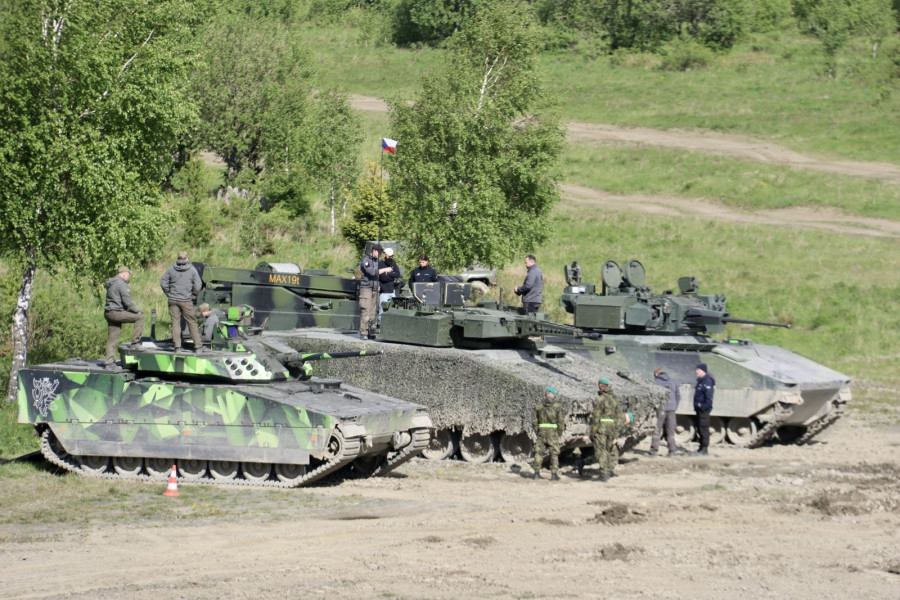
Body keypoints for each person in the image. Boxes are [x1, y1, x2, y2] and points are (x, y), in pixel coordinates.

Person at [585, 377, 633, 482]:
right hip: (611, 428)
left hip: (601, 427)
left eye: (599, 384)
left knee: (601, 451)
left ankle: (603, 474)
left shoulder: (600, 399)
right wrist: (616, 434)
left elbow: (596, 417)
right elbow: (619, 417)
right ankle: (609, 470)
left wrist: (591, 432)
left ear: (601, 385)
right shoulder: (615, 399)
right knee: (609, 449)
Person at [160, 251, 202, 353]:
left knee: (175, 322)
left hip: (173, 299)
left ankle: (177, 347)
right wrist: (193, 296)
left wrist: (169, 293)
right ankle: (198, 346)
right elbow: (198, 285)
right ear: (187, 259)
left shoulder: (171, 269)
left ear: (178, 258)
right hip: (186, 300)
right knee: (192, 322)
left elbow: (163, 282)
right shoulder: (192, 270)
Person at [103, 266, 144, 368]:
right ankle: (135, 343)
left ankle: (109, 362)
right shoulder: (121, 283)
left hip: (109, 312)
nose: (128, 277)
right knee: (140, 318)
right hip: (116, 313)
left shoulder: (112, 283)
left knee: (112, 338)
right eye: (128, 275)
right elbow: (127, 301)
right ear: (125, 274)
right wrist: (137, 311)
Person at [358, 244, 393, 339]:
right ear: (373, 250)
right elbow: (372, 272)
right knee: (366, 310)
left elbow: (377, 275)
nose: (379, 255)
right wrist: (384, 270)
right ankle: (363, 332)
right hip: (366, 288)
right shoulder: (366, 261)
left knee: (373, 312)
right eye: (378, 252)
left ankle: (370, 330)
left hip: (374, 288)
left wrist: (378, 285)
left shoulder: (376, 261)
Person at [532, 386, 566, 481]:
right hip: (553, 433)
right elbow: (561, 422)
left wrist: (538, 431)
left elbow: (534, 421)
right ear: (554, 395)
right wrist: (558, 433)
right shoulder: (557, 407)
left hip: (541, 432)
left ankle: (536, 474)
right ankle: (554, 475)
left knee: (538, 452)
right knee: (554, 453)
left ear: (546, 394)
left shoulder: (538, 406)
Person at [650, 368, 680, 457]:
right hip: (671, 410)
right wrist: (674, 406)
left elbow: (652, 396)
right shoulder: (673, 382)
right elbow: (678, 396)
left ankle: (653, 452)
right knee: (671, 432)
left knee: (656, 431)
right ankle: (672, 452)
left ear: (656, 374)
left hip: (661, 410)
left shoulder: (655, 382)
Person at [693, 363, 715, 456]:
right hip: (699, 409)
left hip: (703, 410)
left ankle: (705, 449)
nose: (696, 372)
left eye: (698, 370)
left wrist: (703, 407)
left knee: (704, 429)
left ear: (702, 370)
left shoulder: (707, 381)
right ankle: (701, 447)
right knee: (699, 429)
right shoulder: (700, 381)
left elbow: (709, 397)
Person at [377, 246, 402, 318]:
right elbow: (383, 278)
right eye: (389, 256)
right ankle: (380, 325)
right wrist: (390, 274)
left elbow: (397, 274)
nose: (390, 257)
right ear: (385, 255)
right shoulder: (380, 264)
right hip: (384, 292)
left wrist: (389, 273)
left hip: (392, 291)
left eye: (392, 256)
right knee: (382, 310)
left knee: (393, 310)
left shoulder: (393, 263)